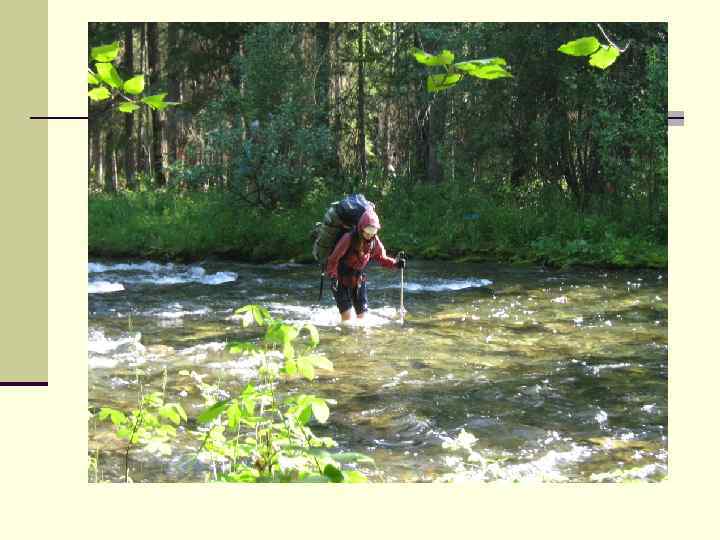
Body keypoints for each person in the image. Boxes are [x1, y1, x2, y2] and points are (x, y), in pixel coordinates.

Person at [325, 205, 406, 322]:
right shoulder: (348, 238)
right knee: (347, 319)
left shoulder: (374, 240)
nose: (369, 236)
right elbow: (333, 259)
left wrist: (395, 264)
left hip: (358, 280)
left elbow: (381, 257)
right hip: (339, 279)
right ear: (361, 228)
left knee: (362, 318)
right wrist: (333, 276)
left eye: (372, 234)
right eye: (367, 233)